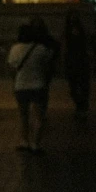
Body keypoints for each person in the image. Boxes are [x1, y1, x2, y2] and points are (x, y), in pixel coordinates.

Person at [7, 20, 58, 152]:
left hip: (21, 86)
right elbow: (47, 65)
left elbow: (12, 67)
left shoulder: (15, 49)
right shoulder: (41, 49)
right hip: (37, 85)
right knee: (38, 116)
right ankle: (36, 143)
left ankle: (25, 141)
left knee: (23, 116)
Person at [62, 13, 93, 117]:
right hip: (73, 60)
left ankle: (82, 106)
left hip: (80, 60)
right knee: (75, 86)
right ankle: (80, 105)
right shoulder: (67, 32)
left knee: (82, 85)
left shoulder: (81, 32)